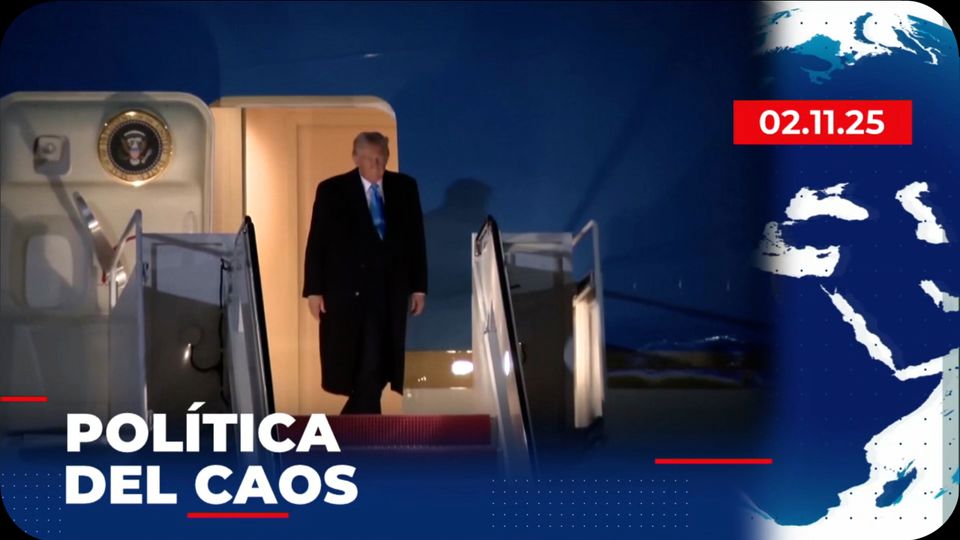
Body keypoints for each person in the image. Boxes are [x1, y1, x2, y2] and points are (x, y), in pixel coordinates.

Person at [302, 132, 427, 414]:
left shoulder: (405, 188)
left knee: (379, 361)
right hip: (348, 292)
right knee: (367, 359)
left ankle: (355, 425)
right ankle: (360, 426)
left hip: (391, 290)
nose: (376, 164)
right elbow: (317, 241)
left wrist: (418, 287)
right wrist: (314, 290)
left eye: (381, 157)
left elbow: (416, 240)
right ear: (355, 157)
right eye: (369, 158)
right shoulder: (332, 190)